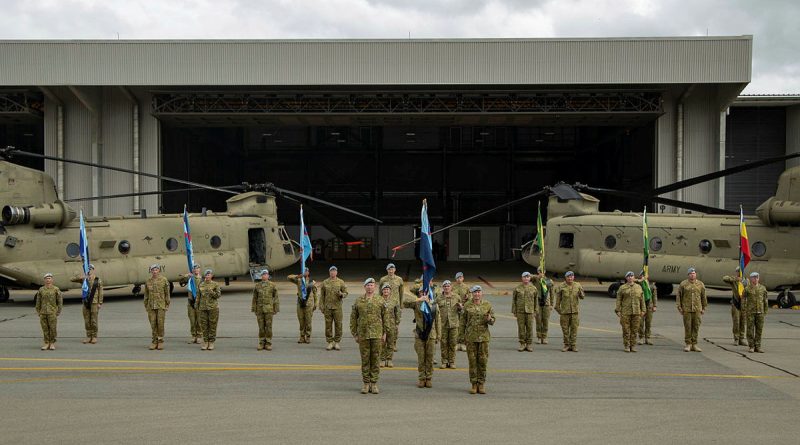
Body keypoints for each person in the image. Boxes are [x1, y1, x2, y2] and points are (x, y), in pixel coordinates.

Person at [350, 278, 391, 394]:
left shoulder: (380, 300)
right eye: (367, 285)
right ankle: (366, 383)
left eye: (372, 285)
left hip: (377, 335)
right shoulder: (359, 301)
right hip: (363, 335)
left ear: (375, 287)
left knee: (376, 359)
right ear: (364, 287)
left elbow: (385, 317)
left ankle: (374, 383)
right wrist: (355, 333)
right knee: (365, 360)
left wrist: (385, 333)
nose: (370, 287)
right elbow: (353, 318)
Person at [459, 285, 495, 395]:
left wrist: (490, 319)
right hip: (471, 338)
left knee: (483, 362)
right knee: (472, 362)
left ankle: (481, 383)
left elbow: (493, 321)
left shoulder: (487, 305)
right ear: (472, 294)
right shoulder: (467, 305)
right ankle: (474, 384)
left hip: (483, 338)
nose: (477, 294)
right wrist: (461, 337)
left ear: (481, 293)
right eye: (475, 292)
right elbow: (462, 322)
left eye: (479, 292)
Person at [403, 286, 441, 388]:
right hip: (420, 334)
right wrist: (418, 299)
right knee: (421, 357)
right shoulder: (416, 303)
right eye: (421, 292)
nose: (423, 293)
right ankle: (421, 378)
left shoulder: (434, 305)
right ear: (419, 293)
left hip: (431, 335)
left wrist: (439, 335)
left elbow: (438, 321)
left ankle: (428, 378)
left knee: (430, 357)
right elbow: (404, 303)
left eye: (425, 292)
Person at [676, 267, 708, 352]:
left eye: (694, 273)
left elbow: (703, 296)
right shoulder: (683, 284)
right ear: (688, 275)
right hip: (686, 309)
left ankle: (694, 344)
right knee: (688, 326)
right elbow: (679, 296)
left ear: (695, 274)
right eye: (691, 273)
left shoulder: (700, 284)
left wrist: (704, 307)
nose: (692, 275)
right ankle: (688, 344)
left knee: (696, 326)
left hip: (697, 309)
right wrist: (679, 307)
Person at [71, 264, 103, 344]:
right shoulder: (83, 279)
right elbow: (71, 279)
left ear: (93, 270)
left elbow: (101, 292)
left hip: (94, 302)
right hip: (86, 302)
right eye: (88, 269)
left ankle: (94, 336)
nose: (89, 270)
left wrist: (100, 302)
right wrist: (81, 277)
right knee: (87, 320)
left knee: (94, 320)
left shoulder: (97, 280)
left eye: (91, 269)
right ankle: (88, 336)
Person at [554, 271, 585, 352]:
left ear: (573, 277)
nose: (570, 278)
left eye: (571, 276)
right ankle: (566, 345)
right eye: (568, 277)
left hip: (574, 312)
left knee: (574, 329)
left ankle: (573, 345)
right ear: (566, 277)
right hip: (564, 312)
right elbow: (558, 301)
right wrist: (559, 311)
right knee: (565, 330)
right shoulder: (561, 286)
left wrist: (580, 292)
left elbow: (582, 297)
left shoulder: (577, 285)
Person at [615, 271, 645, 352]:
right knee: (626, 330)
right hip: (625, 312)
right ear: (626, 278)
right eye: (628, 276)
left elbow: (642, 299)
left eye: (632, 276)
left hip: (636, 312)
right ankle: (627, 346)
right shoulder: (622, 288)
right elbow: (618, 300)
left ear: (634, 277)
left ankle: (633, 346)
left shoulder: (639, 287)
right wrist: (617, 310)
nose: (630, 277)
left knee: (635, 330)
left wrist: (643, 310)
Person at [379, 263, 405, 353]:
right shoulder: (383, 279)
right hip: (385, 304)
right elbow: (380, 293)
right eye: (389, 269)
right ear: (387, 270)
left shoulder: (399, 279)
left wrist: (401, 304)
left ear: (395, 270)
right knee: (384, 324)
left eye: (392, 269)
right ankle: (384, 342)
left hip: (396, 305)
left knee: (395, 325)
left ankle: (393, 343)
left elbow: (401, 292)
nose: (391, 271)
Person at [320, 265, 348, 351]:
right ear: (329, 272)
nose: (333, 272)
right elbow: (322, 295)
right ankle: (330, 342)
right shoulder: (325, 282)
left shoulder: (341, 282)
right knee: (328, 325)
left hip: (337, 307)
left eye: (334, 271)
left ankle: (336, 342)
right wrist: (321, 306)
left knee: (338, 325)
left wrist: (341, 294)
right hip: (328, 307)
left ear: (336, 272)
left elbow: (346, 293)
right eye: (331, 271)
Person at [143, 264, 171, 350]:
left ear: (159, 270)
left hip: (161, 305)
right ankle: (154, 341)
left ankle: (160, 341)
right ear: (151, 271)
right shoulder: (148, 281)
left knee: (160, 323)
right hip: (151, 306)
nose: (154, 271)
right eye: (153, 270)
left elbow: (167, 293)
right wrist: (146, 305)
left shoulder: (164, 280)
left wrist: (167, 304)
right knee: (153, 323)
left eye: (156, 270)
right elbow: (146, 295)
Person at [436, 279, 461, 368]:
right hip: (443, 324)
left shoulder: (456, 297)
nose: (447, 288)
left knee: (453, 343)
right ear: (443, 288)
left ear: (451, 287)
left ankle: (452, 361)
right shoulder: (438, 298)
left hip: (454, 324)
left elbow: (461, 311)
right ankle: (444, 361)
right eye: (445, 286)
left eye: (448, 286)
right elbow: (435, 311)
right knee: (443, 343)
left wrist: (460, 308)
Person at [251, 269, 279, 351]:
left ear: (268, 276)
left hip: (269, 309)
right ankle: (261, 342)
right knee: (261, 327)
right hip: (259, 309)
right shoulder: (257, 286)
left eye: (266, 274)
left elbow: (276, 297)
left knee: (269, 327)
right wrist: (254, 309)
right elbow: (254, 298)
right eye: (263, 274)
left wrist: (275, 308)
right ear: (261, 276)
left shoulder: (272, 285)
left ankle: (268, 343)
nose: (264, 276)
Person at [288, 269, 318, 344]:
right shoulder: (299, 280)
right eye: (304, 271)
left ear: (309, 272)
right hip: (300, 303)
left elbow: (315, 294)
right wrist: (299, 276)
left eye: (307, 271)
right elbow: (288, 277)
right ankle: (302, 337)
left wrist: (316, 304)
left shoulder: (312, 282)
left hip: (309, 304)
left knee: (308, 321)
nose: (305, 272)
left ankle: (308, 337)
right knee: (301, 321)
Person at [512, 271, 539, 352]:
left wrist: (535, 311)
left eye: (527, 277)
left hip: (530, 311)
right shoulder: (517, 288)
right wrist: (514, 311)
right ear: (522, 278)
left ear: (530, 278)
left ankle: (529, 344)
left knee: (530, 328)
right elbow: (514, 300)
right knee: (521, 328)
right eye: (524, 277)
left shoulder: (534, 288)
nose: (526, 278)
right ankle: (522, 343)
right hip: (520, 311)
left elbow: (536, 300)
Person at [35, 273, 63, 350]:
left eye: (49, 278)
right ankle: (46, 342)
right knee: (45, 328)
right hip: (43, 312)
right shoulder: (41, 289)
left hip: (52, 312)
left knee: (52, 328)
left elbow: (60, 301)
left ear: (52, 280)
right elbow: (38, 301)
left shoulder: (56, 289)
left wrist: (58, 311)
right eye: (47, 278)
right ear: (44, 280)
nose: (48, 280)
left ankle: (52, 343)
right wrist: (38, 311)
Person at [743, 272, 769, 353]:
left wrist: (765, 310)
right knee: (750, 329)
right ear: (751, 279)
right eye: (754, 277)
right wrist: (744, 310)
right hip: (750, 312)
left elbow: (765, 300)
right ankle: (751, 346)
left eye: (757, 277)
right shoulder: (747, 289)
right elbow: (743, 300)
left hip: (760, 312)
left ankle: (758, 346)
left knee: (759, 330)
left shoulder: (763, 288)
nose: (756, 279)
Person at [197, 269, 222, 350]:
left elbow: (218, 295)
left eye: (209, 275)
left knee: (212, 325)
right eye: (206, 275)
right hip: (203, 307)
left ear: (211, 276)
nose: (207, 276)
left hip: (213, 308)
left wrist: (212, 292)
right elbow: (198, 296)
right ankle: (205, 341)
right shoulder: (201, 284)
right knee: (204, 325)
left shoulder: (215, 284)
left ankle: (211, 342)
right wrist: (196, 305)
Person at [178, 264, 203, 344]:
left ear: (199, 270)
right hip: (190, 302)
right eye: (194, 269)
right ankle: (193, 336)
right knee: (192, 320)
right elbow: (181, 281)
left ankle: (199, 336)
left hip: (199, 302)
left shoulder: (202, 279)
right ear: (192, 270)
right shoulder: (190, 278)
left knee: (199, 321)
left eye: (197, 269)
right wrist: (186, 275)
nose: (196, 270)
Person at [722, 268, 747, 346]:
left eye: (740, 272)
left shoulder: (746, 281)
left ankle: (741, 339)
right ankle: (736, 338)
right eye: (737, 272)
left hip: (744, 304)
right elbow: (724, 278)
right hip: (735, 303)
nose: (739, 273)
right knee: (736, 321)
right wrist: (735, 279)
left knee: (743, 322)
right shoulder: (734, 279)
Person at [379, 283, 400, 368]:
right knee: (382, 343)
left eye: (387, 290)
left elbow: (397, 312)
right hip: (381, 324)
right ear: (382, 291)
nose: (386, 291)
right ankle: (383, 359)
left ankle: (389, 359)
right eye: (384, 290)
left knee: (391, 342)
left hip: (391, 324)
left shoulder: (394, 301)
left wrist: (397, 323)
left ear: (390, 291)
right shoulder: (379, 300)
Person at [636, 271, 658, 345]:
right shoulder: (638, 284)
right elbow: (633, 281)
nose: (643, 276)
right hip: (640, 306)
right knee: (641, 323)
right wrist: (641, 280)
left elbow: (654, 296)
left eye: (644, 275)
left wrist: (655, 306)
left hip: (649, 306)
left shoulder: (651, 285)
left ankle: (647, 338)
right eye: (642, 275)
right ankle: (641, 337)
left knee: (648, 323)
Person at [534, 267, 554, 344]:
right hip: (537, 303)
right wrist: (537, 277)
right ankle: (539, 337)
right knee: (538, 321)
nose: (541, 273)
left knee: (545, 320)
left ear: (545, 271)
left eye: (542, 271)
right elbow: (529, 276)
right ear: (538, 272)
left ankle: (544, 337)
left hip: (546, 303)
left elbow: (552, 293)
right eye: (539, 271)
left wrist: (552, 304)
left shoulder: (549, 281)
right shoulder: (535, 280)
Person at [451, 272, 470, 351]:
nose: (459, 279)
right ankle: (456, 343)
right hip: (455, 308)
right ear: (455, 279)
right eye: (457, 278)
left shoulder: (466, 287)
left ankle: (463, 343)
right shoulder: (452, 287)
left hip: (463, 308)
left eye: (460, 277)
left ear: (463, 278)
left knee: (463, 325)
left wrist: (468, 297)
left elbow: (470, 297)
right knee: (456, 325)